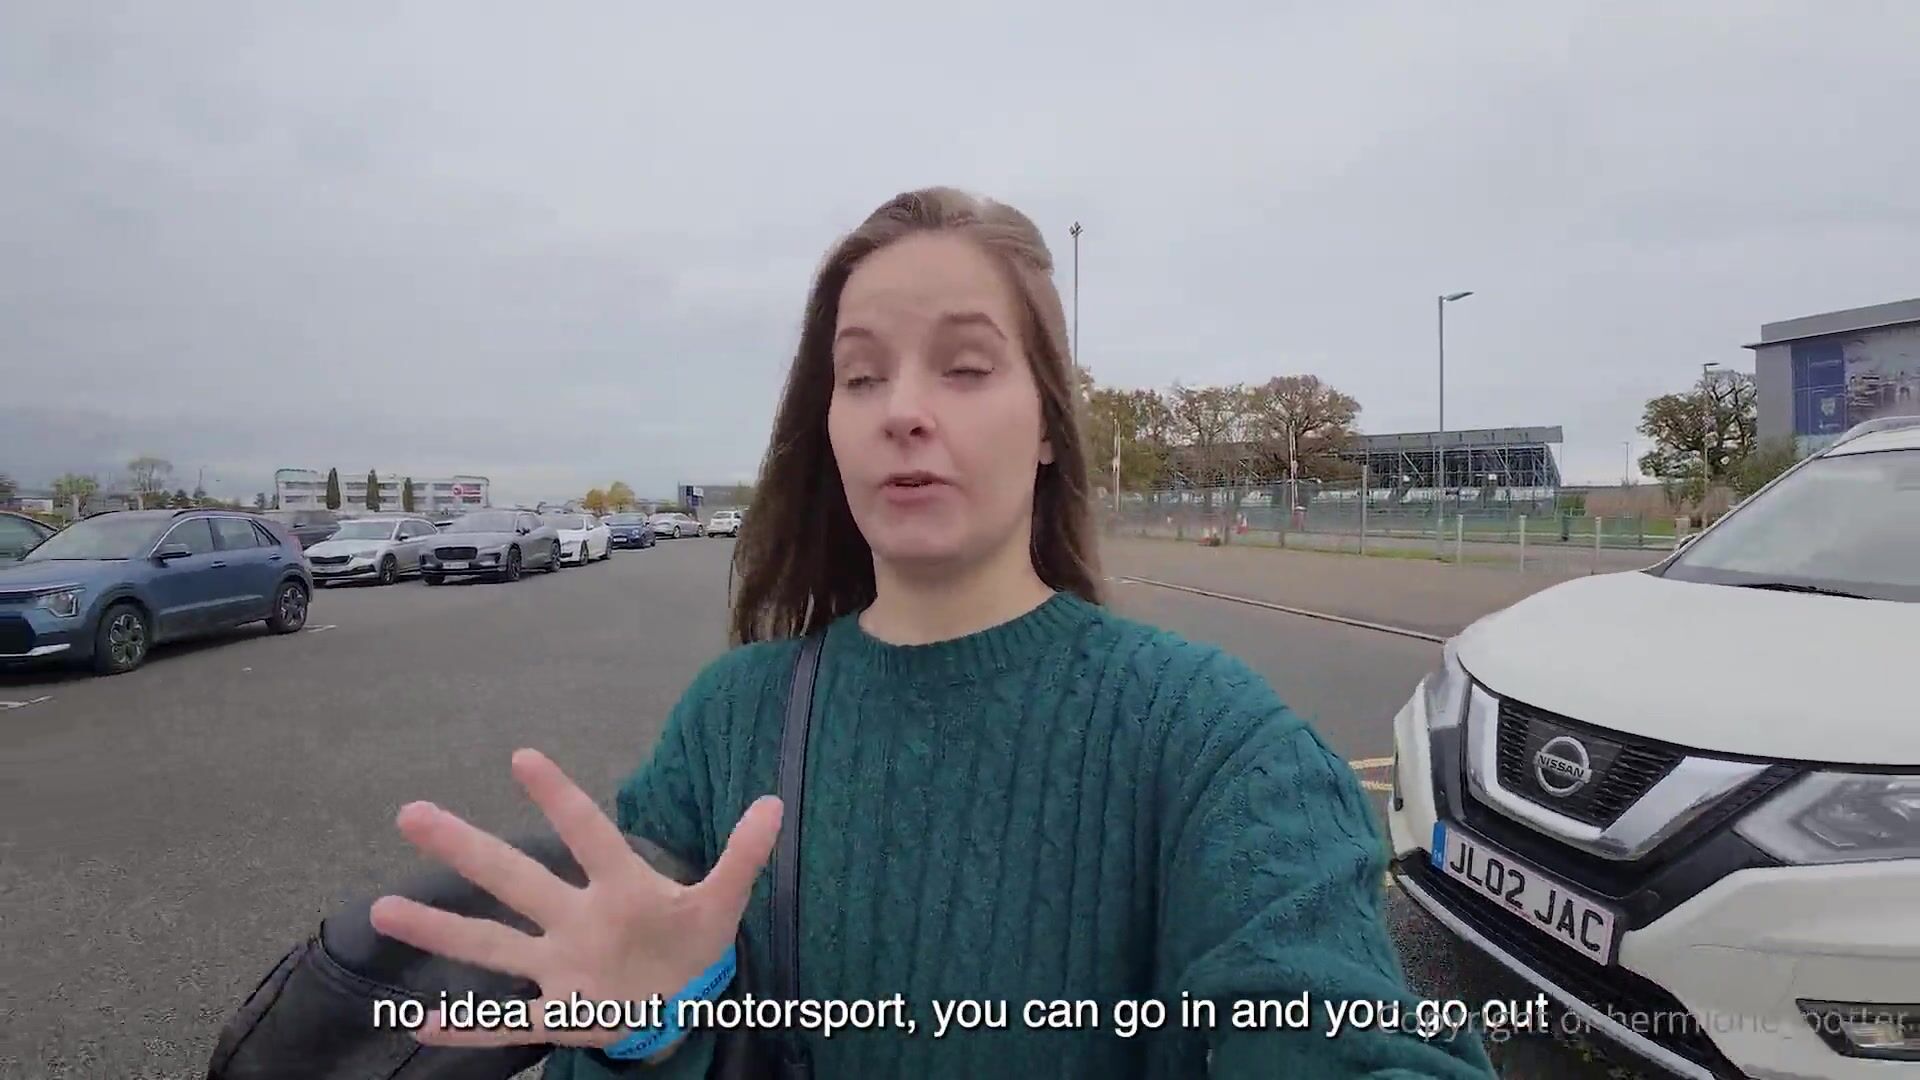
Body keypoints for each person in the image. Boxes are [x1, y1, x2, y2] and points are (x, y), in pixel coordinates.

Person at [369, 187, 1497, 1078]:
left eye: (964, 367)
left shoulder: (1215, 742)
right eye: (861, 375)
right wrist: (651, 1036)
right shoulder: (726, 725)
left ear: (1048, 425)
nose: (903, 409)